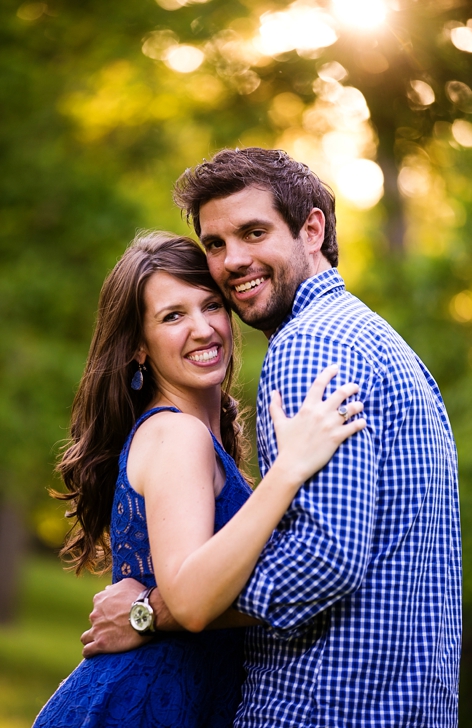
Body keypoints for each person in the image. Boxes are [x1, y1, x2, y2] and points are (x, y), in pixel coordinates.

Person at [82, 148, 462, 726]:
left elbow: (320, 558)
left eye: (253, 232)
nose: (232, 260)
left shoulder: (309, 347)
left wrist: (149, 611)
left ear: (312, 229)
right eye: (215, 244)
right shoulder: (376, 341)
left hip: (323, 705)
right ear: (139, 343)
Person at [33, 232, 365, 727]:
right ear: (139, 348)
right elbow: (190, 603)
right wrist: (290, 469)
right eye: (172, 316)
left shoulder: (198, 436)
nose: (204, 329)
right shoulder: (177, 434)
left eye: (211, 306)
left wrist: (141, 614)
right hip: (142, 707)